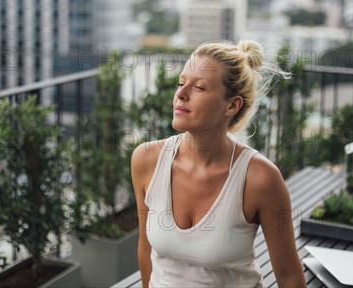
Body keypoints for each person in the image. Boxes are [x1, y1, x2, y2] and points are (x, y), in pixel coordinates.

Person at [131, 40, 307, 288]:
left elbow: (289, 275)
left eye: (199, 87)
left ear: (232, 105)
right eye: (181, 83)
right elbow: (145, 249)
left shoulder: (260, 178)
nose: (181, 94)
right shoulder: (146, 159)